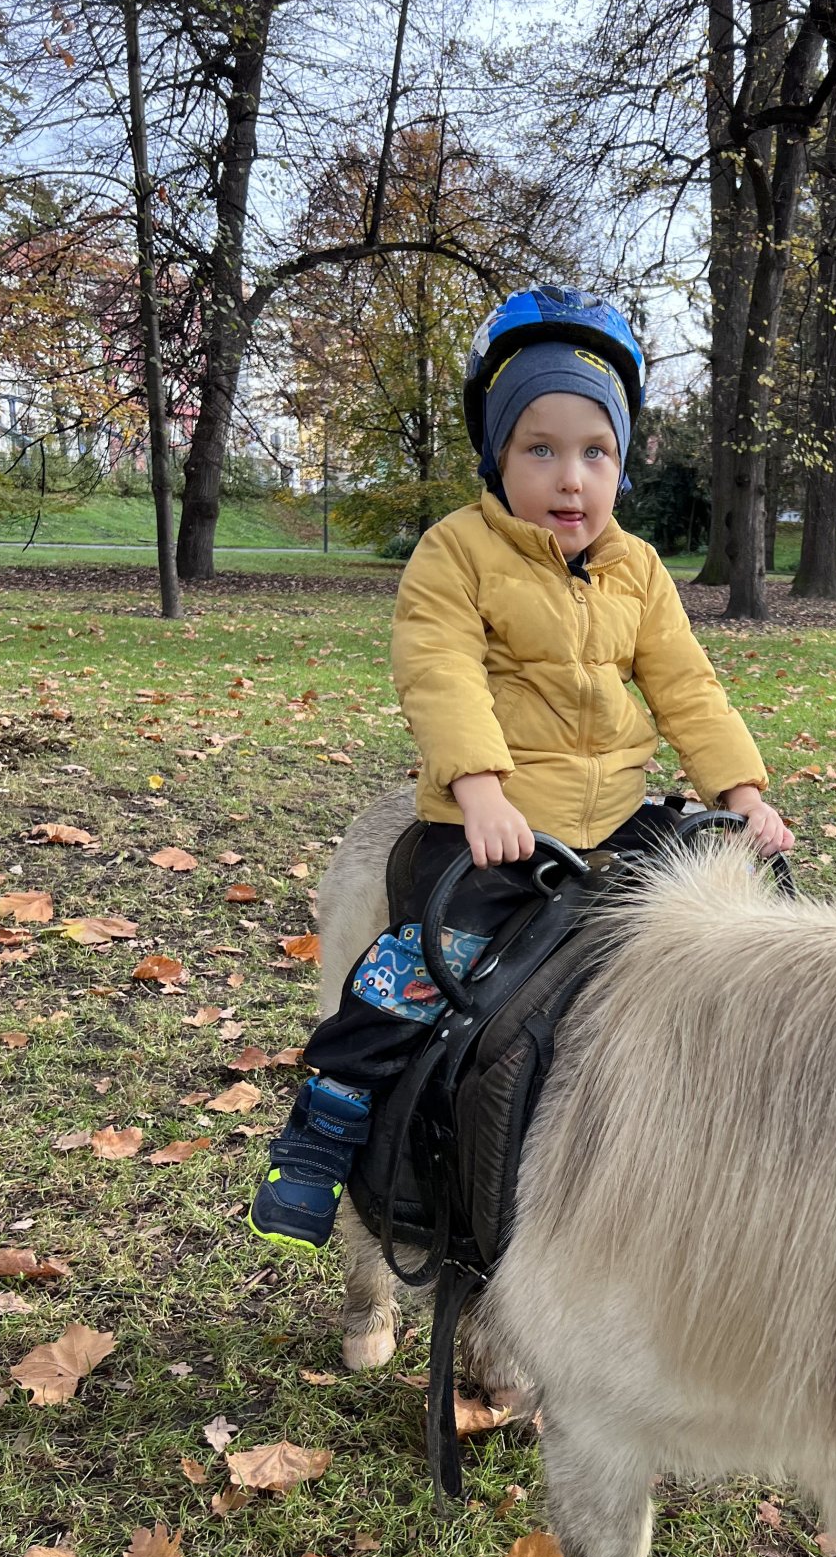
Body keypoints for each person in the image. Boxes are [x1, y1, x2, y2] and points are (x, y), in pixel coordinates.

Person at [249, 282, 792, 1254]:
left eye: (596, 452)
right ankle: (325, 1125)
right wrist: (480, 790)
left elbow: (688, 687)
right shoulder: (456, 553)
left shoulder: (638, 569)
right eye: (540, 449)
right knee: (419, 969)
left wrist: (741, 794)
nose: (570, 478)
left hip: (614, 814)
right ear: (497, 456)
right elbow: (440, 670)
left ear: (622, 463)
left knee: (736, 916)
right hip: (492, 823)